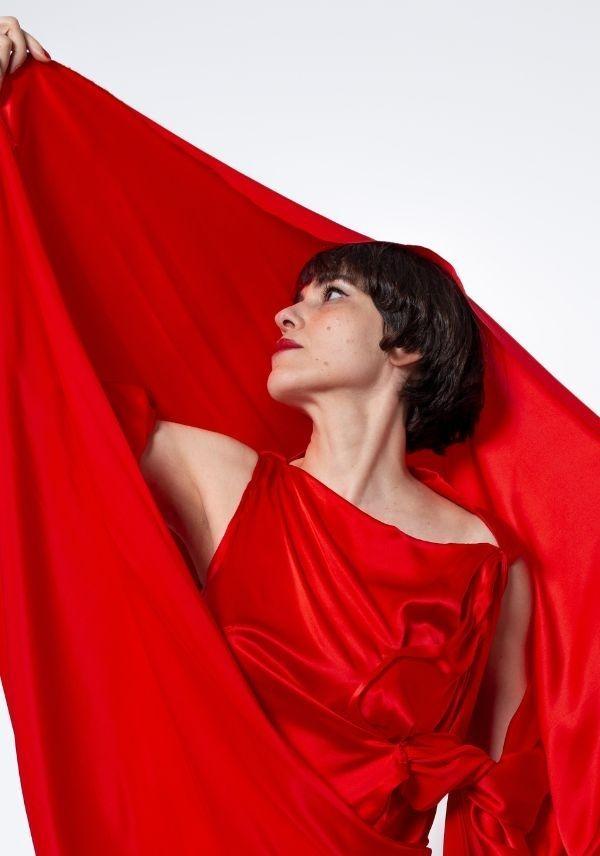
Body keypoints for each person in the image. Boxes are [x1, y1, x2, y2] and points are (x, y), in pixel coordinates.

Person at [1, 19, 591, 854]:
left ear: (407, 343)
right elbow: (37, 402)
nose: (288, 314)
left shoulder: (486, 563)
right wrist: (21, 138)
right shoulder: (219, 479)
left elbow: (503, 799)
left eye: (331, 296)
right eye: (296, 297)